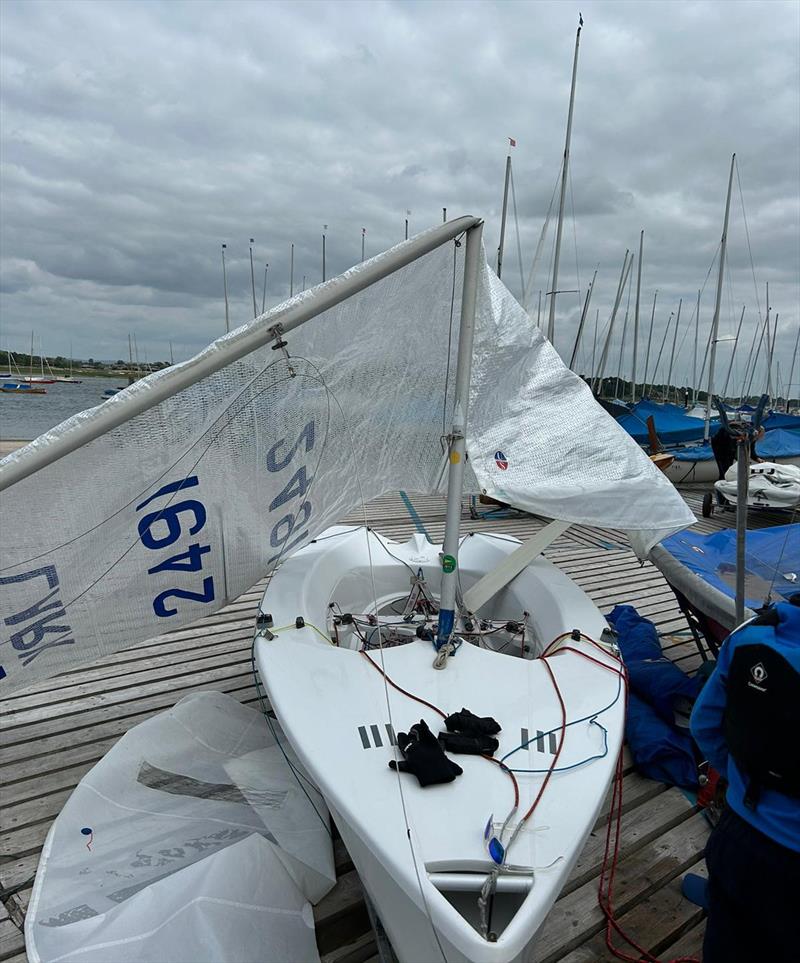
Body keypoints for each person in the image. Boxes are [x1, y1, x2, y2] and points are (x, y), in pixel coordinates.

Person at [690, 594, 800, 963]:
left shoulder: (749, 637)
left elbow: (703, 726)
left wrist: (743, 780)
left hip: (738, 836)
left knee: (726, 942)